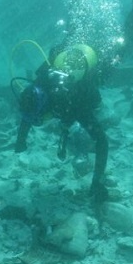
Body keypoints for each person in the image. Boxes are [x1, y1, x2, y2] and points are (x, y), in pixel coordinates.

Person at [14, 43, 109, 204]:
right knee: (88, 132)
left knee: (92, 129)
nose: (39, 120)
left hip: (79, 101)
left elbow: (101, 140)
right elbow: (28, 115)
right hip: (69, 100)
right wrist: (21, 139)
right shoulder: (41, 85)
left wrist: (97, 182)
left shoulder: (80, 97)